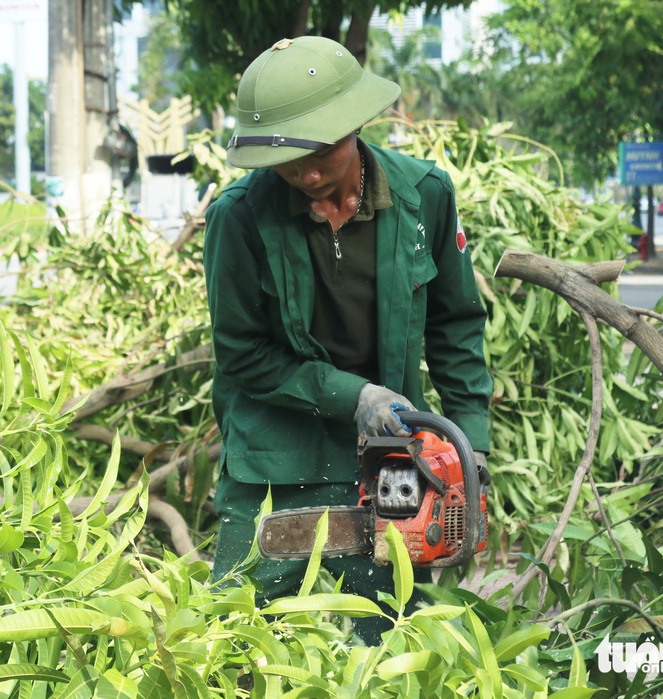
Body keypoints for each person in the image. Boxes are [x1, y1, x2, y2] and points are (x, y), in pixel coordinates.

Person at [202, 36, 493, 645]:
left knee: (387, 641)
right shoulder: (241, 218)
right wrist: (352, 394)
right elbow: (241, 353)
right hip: (271, 461)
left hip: (391, 459)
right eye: (288, 158)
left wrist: (470, 443)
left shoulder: (424, 199)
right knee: (237, 638)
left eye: (321, 152)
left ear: (356, 124)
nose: (307, 173)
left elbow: (456, 326)